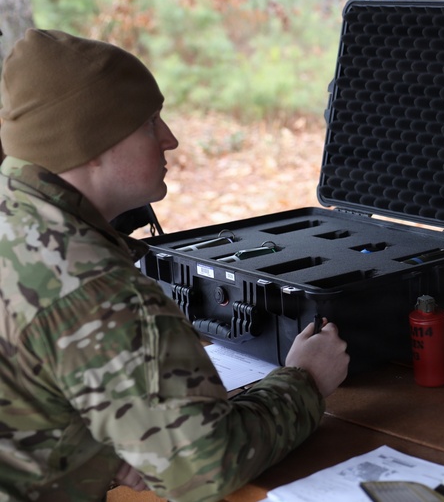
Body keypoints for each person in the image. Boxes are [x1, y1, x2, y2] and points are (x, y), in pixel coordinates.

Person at [0, 29, 350, 500]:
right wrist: (306, 381)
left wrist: (100, 444)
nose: (170, 139)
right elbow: (203, 468)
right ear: (91, 142)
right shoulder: (95, 288)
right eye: (149, 123)